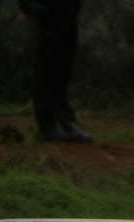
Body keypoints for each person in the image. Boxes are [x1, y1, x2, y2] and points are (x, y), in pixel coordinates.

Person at [21, 0, 92, 143]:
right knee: (47, 69)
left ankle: (65, 122)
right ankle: (47, 125)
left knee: (63, 71)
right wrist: (30, 6)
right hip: (48, 15)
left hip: (67, 15)